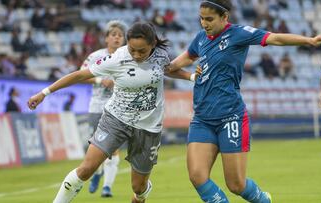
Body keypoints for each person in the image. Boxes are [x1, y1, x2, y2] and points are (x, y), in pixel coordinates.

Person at [166, 1, 321, 202]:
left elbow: (275, 38)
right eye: (201, 18)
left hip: (230, 117)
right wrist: (189, 76)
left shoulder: (239, 34)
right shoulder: (200, 39)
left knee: (236, 184)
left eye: (209, 19)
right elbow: (171, 68)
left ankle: (263, 200)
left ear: (224, 17)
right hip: (202, 119)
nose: (204, 23)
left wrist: (309, 40)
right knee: (197, 176)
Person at [27, 22, 197, 203]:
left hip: (149, 127)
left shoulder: (161, 55)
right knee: (86, 169)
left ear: (152, 44)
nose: (137, 55)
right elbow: (79, 75)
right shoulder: (118, 58)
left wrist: (191, 76)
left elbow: (167, 70)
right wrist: (44, 93)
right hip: (116, 120)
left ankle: (142, 193)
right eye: (133, 50)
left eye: (142, 51)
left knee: (138, 187)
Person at [80, 20, 127, 198]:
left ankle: (107, 187)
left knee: (113, 149)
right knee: (97, 148)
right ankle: (97, 172)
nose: (116, 38)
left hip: (117, 109)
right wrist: (101, 80)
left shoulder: (127, 57)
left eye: (120, 35)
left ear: (123, 39)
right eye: (113, 34)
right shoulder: (95, 56)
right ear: (106, 38)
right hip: (97, 107)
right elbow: (80, 76)